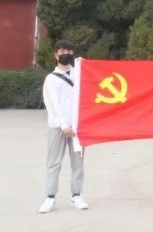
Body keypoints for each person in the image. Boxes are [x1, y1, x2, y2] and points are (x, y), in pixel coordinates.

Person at [39, 40, 86, 214]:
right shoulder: (51, 79)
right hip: (58, 127)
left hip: (77, 128)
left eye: (68, 51)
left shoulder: (79, 75)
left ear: (72, 53)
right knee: (54, 162)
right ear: (56, 55)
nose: (65, 54)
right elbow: (52, 104)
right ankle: (50, 197)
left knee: (78, 163)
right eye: (61, 51)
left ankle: (77, 195)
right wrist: (63, 124)